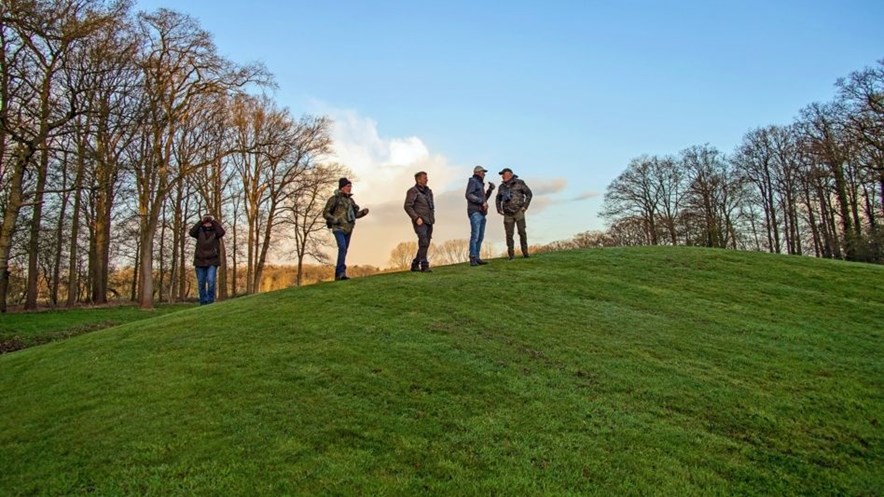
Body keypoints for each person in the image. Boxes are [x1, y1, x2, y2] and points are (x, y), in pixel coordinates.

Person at [323, 177, 369, 281]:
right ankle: (341, 272)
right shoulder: (334, 199)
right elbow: (325, 213)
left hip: (349, 229)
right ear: (342, 187)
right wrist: (334, 220)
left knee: (344, 250)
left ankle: (339, 274)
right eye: (348, 186)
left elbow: (355, 215)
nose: (350, 188)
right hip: (338, 228)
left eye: (350, 186)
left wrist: (363, 212)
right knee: (342, 248)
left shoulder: (351, 201)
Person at [496, 167, 533, 259]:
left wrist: (525, 207)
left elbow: (529, 194)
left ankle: (525, 253)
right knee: (509, 235)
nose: (502, 176)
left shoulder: (520, 182)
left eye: (503, 174)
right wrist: (499, 209)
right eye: (502, 175)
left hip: (519, 212)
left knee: (522, 232)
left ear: (509, 174)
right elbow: (498, 198)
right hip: (507, 214)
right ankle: (511, 256)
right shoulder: (501, 187)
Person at [189, 213, 225, 305]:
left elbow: (221, 232)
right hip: (199, 261)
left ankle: (210, 301)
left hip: (213, 260)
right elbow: (191, 232)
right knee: (201, 283)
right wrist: (201, 221)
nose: (207, 223)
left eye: (209, 222)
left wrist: (213, 220)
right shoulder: (199, 231)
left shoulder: (216, 232)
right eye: (206, 221)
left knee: (211, 281)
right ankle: (203, 302)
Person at [403, 171, 435, 272]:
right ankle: (424, 265)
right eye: (425, 178)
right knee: (424, 241)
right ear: (418, 179)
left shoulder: (429, 191)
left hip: (429, 221)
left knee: (425, 243)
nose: (427, 179)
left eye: (427, 177)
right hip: (420, 221)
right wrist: (416, 218)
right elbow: (407, 206)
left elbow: (431, 206)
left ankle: (415, 263)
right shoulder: (412, 191)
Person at [464, 165, 495, 266]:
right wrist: (481, 201)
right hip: (475, 212)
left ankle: (477, 257)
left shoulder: (480, 184)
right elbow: (468, 195)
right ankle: (473, 258)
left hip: (481, 213)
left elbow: (484, 199)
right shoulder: (473, 181)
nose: (484, 174)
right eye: (483, 172)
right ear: (477, 172)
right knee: (475, 235)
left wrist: (490, 190)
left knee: (480, 236)